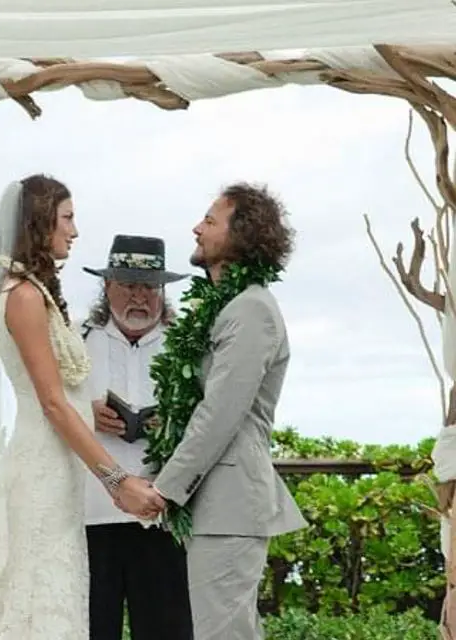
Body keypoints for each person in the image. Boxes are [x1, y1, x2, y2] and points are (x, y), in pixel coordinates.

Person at [0, 175, 165, 640]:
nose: (75, 231)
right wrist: (117, 480)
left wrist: (91, 407)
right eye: (67, 218)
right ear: (40, 223)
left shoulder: (32, 291)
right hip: (41, 469)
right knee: (34, 601)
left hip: (58, 474)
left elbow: (62, 396)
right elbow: (53, 405)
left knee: (55, 598)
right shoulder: (22, 295)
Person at [147, 183, 308, 640]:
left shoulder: (252, 309)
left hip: (231, 503)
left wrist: (165, 489)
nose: (197, 228)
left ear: (241, 236)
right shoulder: (227, 306)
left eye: (210, 221)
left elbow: (221, 413)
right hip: (214, 505)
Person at [81, 235, 193, 640]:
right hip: (90, 515)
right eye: (129, 285)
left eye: (149, 287)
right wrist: (86, 414)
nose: (139, 297)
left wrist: (173, 421)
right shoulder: (78, 341)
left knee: (169, 630)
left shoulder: (188, 347)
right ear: (107, 286)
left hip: (162, 514)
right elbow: (49, 409)